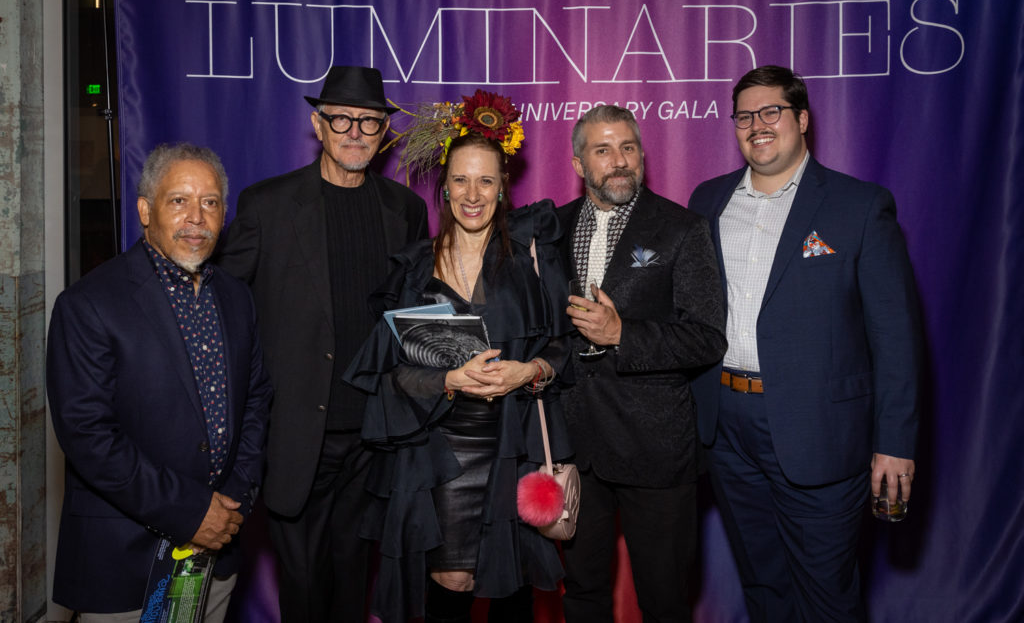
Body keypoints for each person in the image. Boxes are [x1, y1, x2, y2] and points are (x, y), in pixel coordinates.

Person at [688, 65, 923, 622]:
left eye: (771, 112)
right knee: (763, 584)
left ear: (801, 119)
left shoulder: (859, 206)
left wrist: (895, 443)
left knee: (826, 593)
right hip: (726, 427)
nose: (757, 125)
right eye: (745, 116)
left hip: (819, 429)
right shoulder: (708, 201)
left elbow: (896, 337)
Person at [344, 91, 572, 623]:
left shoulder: (534, 259)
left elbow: (564, 349)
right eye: (461, 180)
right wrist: (448, 378)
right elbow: (391, 373)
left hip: (514, 442)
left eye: (486, 181)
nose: (473, 194)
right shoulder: (414, 268)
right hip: (441, 449)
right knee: (451, 580)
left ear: (503, 187)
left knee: (510, 579)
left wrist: (529, 370)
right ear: (444, 187)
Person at [216, 65, 428, 622]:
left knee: (354, 581)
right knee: (304, 586)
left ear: (384, 131)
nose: (355, 132)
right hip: (296, 435)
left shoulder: (405, 210)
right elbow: (227, 310)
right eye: (341, 119)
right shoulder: (267, 205)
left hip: (375, 436)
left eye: (369, 121)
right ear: (318, 125)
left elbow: (414, 312)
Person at [46, 143, 272, 621]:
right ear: (146, 211)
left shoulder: (237, 297)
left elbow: (255, 400)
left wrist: (232, 502)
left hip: (217, 557)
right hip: (125, 561)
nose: (196, 218)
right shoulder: (88, 304)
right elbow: (88, 436)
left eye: (210, 202)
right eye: (179, 201)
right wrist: (192, 513)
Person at [557, 105, 728, 623]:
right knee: (581, 592)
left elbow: (706, 337)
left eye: (628, 147)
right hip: (575, 445)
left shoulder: (681, 228)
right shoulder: (551, 228)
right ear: (579, 164)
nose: (619, 161)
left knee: (664, 599)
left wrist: (622, 335)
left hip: (654, 449)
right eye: (603, 150)